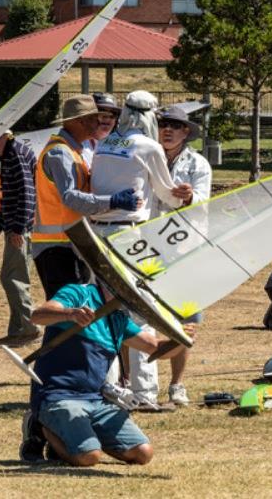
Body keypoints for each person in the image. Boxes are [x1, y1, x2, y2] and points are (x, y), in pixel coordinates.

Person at [21, 282, 193, 465]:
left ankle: (75, 439)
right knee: (89, 457)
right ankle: (41, 425)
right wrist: (70, 314)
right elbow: (37, 316)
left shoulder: (118, 318)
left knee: (143, 454)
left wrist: (181, 339)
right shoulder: (79, 293)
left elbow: (156, 347)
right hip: (58, 395)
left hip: (95, 399)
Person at [89, 91, 184, 407]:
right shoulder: (149, 146)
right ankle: (144, 393)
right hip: (129, 234)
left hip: (95, 234)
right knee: (140, 311)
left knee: (103, 312)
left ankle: (109, 386)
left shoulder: (104, 144)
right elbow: (168, 195)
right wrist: (184, 194)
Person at [32, 94, 140, 300]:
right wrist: (113, 201)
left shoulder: (73, 151)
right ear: (78, 122)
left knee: (73, 312)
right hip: (56, 246)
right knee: (66, 313)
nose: (98, 123)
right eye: (92, 118)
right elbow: (71, 197)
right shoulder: (60, 153)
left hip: (68, 243)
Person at [150, 105, 212, 406]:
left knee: (185, 320)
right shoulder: (148, 158)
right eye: (164, 124)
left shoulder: (198, 164)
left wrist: (190, 196)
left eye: (175, 125)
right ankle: (136, 383)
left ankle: (177, 384)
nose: (168, 130)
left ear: (186, 132)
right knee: (141, 317)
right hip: (150, 249)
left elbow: (204, 200)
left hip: (187, 249)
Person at [0, 131, 40, 346]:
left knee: (14, 278)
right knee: (13, 277)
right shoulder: (9, 154)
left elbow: (28, 194)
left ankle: (30, 327)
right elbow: (10, 196)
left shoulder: (16, 154)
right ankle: (18, 330)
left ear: (0, 137)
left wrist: (18, 228)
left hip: (21, 228)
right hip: (15, 226)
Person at [79, 92, 120, 166]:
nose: (107, 118)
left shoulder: (121, 146)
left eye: (113, 114)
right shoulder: (78, 146)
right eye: (102, 112)